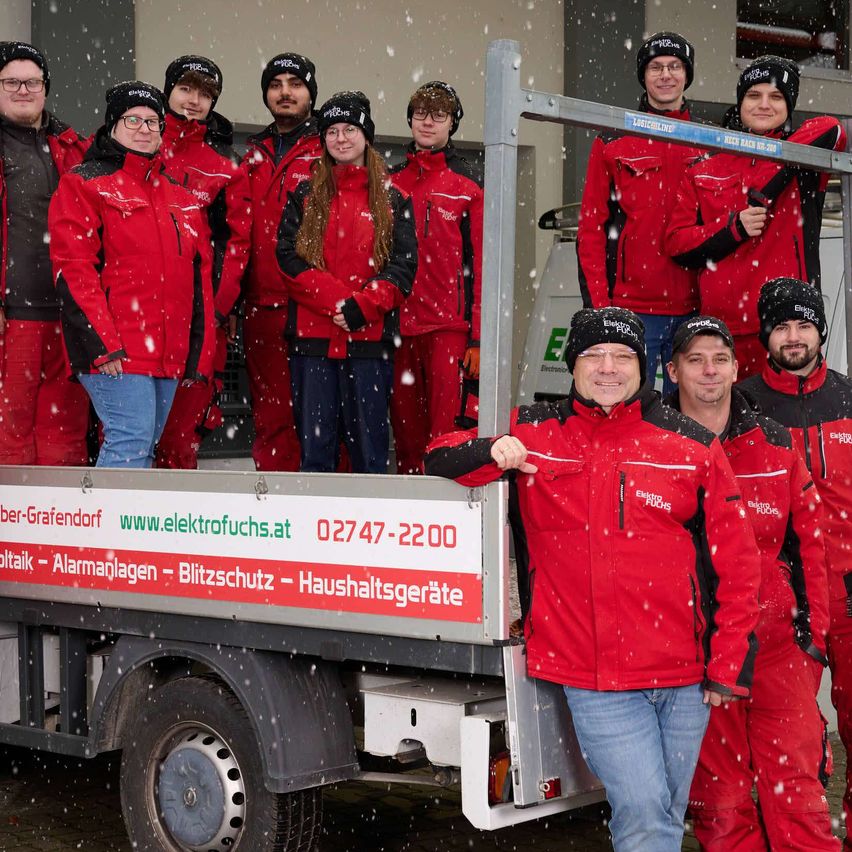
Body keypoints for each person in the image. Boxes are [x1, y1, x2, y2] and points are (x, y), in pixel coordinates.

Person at [424, 306, 761, 852]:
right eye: (593, 356)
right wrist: (491, 451)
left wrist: (726, 666)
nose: (608, 368)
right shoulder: (533, 430)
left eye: (622, 356)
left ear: (643, 366)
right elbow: (436, 455)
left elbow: (740, 565)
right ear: (571, 366)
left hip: (684, 677)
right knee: (647, 813)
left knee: (663, 812)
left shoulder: (691, 445)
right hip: (596, 674)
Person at [665, 314, 835, 850]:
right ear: (673, 371)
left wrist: (814, 637)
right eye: (695, 359)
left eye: (720, 358)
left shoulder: (773, 442)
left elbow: (811, 544)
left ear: (738, 368)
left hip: (778, 650)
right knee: (721, 806)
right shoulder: (653, 442)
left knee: (799, 800)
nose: (709, 371)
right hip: (697, 656)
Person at [48, 81, 215, 468]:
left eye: (153, 121)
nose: (144, 128)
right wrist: (101, 345)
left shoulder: (181, 197)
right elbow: (74, 268)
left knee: (143, 449)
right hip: (118, 351)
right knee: (130, 442)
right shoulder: (84, 182)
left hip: (168, 353)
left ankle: (125, 528)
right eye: (133, 119)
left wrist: (198, 355)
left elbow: (198, 281)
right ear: (112, 126)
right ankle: (109, 529)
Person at [739, 277, 852, 849]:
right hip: (791, 595)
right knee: (798, 731)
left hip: (850, 588)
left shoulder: (849, 398)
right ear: (765, 334)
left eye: (803, 325)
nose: (793, 337)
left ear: (819, 331)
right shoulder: (745, 405)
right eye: (781, 326)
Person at [666, 56, 845, 378]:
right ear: (740, 102)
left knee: (786, 426)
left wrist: (770, 181)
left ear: (789, 106)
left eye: (776, 97)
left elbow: (831, 127)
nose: (764, 105)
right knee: (724, 426)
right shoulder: (705, 166)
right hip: (723, 333)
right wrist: (733, 228)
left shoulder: (803, 161)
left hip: (786, 330)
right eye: (754, 95)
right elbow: (677, 244)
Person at [277, 91, 417, 474]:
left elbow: (403, 268)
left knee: (370, 455)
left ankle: (368, 530)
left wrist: (363, 307)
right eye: (332, 130)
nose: (341, 138)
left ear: (366, 135)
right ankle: (314, 531)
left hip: (369, 345)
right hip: (313, 343)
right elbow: (288, 260)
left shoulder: (393, 199)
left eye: (350, 129)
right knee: (316, 455)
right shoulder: (305, 195)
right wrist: (341, 304)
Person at [576, 32, 702, 395]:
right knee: (628, 417)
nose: (665, 75)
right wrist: (602, 309)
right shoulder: (613, 140)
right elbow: (591, 230)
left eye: (675, 66)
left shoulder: (707, 141)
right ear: (643, 76)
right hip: (632, 311)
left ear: (686, 75)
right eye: (656, 67)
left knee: (692, 424)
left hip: (693, 311)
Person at [155, 55, 251, 469]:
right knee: (131, 431)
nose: (193, 101)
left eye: (204, 94)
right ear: (168, 91)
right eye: (185, 89)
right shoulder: (136, 142)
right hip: (136, 315)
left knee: (181, 433)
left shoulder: (225, 166)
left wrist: (218, 308)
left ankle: (174, 525)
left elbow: (237, 243)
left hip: (198, 320)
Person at [0, 40, 89, 466]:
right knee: (8, 427)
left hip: (67, 311)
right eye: (12, 81)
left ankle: (60, 523)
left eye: (32, 81)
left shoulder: (73, 146)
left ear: (46, 89)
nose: (23, 90)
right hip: (12, 311)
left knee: (65, 430)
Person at [388, 81, 483, 473]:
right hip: (396, 328)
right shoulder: (390, 181)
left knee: (446, 438)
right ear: (410, 119)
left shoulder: (469, 184)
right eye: (421, 113)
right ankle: (410, 522)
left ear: (452, 124)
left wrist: (478, 337)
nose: (428, 122)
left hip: (448, 329)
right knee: (406, 437)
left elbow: (482, 266)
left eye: (439, 114)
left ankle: (447, 523)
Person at [240, 53, 322, 471]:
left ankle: (326, 513)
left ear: (311, 93)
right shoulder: (253, 153)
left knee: (323, 419)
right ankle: (275, 507)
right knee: (272, 418)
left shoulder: (331, 146)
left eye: (295, 83)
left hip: (316, 306)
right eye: (276, 84)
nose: (285, 92)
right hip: (262, 307)